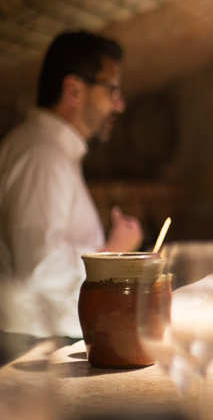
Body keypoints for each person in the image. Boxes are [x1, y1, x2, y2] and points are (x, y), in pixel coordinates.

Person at [0, 30, 143, 352]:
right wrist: (113, 256)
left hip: (44, 341)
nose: (119, 104)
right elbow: (38, 268)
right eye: (112, 89)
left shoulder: (50, 150)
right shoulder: (41, 154)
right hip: (34, 350)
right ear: (74, 90)